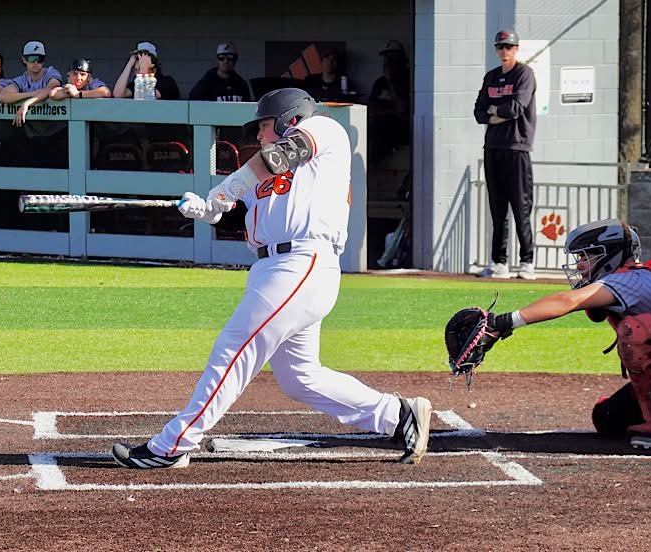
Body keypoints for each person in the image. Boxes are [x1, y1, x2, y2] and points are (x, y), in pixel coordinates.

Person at [111, 87, 432, 469]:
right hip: (272, 268)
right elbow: (236, 209)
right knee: (299, 377)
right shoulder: (264, 175)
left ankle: (172, 446)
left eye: (264, 126)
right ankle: (397, 415)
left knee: (233, 349)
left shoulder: (324, 130)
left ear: (289, 119)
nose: (259, 135)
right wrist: (208, 209)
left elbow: (277, 157)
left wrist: (226, 188)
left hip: (302, 261)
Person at [481, 218, 651, 449]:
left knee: (637, 331)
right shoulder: (628, 279)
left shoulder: (632, 279)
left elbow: (568, 301)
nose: (579, 264)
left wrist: (503, 322)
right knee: (608, 417)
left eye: (585, 256)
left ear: (609, 255)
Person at [474, 29, 537, 280]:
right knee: (497, 209)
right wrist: (495, 114)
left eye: (509, 47)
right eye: (500, 47)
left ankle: (527, 262)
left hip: (517, 147)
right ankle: (499, 262)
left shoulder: (524, 74)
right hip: (493, 147)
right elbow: (479, 113)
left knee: (521, 208)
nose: (504, 51)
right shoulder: (491, 77)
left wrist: (494, 112)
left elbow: (516, 108)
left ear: (516, 49)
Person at [0, 40, 64, 127]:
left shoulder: (51, 72)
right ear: (24, 59)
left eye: (39, 59)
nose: (36, 62)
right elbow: (2, 96)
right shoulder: (22, 79)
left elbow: (50, 88)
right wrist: (31, 94)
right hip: (32, 129)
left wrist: (27, 104)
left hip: (56, 127)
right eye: (32, 58)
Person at [366, 39, 410, 164]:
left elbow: (403, 111)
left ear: (402, 61)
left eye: (392, 59)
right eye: (386, 59)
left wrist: (391, 82)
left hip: (401, 128)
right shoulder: (380, 82)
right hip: (380, 127)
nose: (388, 62)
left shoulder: (409, 80)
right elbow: (371, 108)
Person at [112, 41, 180, 100]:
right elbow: (118, 94)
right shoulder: (136, 84)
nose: (138, 73)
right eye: (136, 69)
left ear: (154, 70)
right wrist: (129, 64)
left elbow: (146, 96)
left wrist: (144, 69)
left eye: (141, 68)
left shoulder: (167, 82)